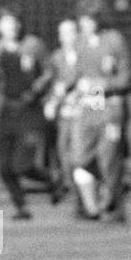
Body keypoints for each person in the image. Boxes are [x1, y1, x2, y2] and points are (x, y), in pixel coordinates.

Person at [0, 8, 52, 219]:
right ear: (0, 26)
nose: (11, 27)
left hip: (30, 112)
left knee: (23, 164)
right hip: (8, 111)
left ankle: (52, 181)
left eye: (14, 22)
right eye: (6, 23)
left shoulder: (33, 45)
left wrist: (37, 89)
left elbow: (49, 71)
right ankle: (21, 207)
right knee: (4, 167)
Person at [70, 0, 131, 223]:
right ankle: (113, 188)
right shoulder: (79, 42)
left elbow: (129, 77)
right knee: (80, 159)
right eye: (83, 19)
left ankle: (114, 207)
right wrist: (73, 90)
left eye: (90, 19)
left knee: (109, 158)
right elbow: (77, 75)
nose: (86, 24)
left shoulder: (114, 40)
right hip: (90, 105)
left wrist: (102, 84)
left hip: (111, 105)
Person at [42, 17, 81, 205]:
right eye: (63, 33)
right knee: (64, 153)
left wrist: (94, 107)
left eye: (71, 32)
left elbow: (97, 82)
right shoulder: (57, 57)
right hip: (65, 115)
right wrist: (51, 102)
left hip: (84, 114)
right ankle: (74, 191)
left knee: (81, 155)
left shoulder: (87, 53)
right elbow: (52, 84)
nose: (67, 37)